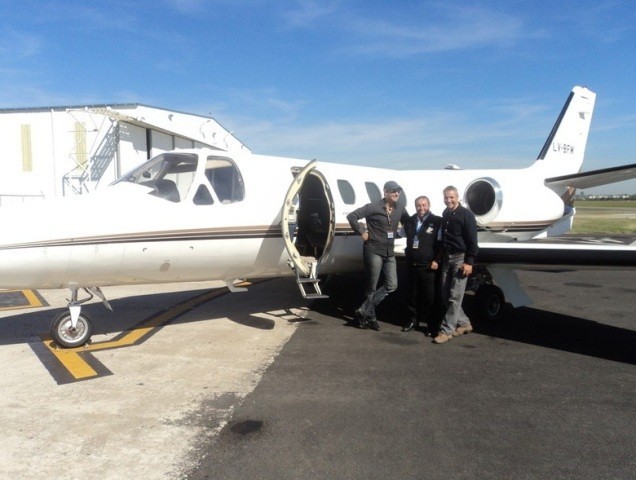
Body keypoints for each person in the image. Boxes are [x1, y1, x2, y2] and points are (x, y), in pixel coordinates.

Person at [347, 181, 409, 331]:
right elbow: (352, 216)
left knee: (392, 285)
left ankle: (364, 310)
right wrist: (361, 232)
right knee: (371, 286)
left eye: (399, 191)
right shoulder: (373, 207)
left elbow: (409, 223)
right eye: (393, 191)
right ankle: (370, 318)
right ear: (385, 192)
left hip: (389, 252)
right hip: (373, 250)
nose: (397, 193)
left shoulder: (400, 208)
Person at [433, 185, 479, 344]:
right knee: (445, 294)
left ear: (457, 197)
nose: (449, 200)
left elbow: (473, 241)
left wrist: (469, 262)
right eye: (446, 197)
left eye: (451, 197)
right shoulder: (445, 214)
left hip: (460, 259)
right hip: (447, 257)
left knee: (455, 296)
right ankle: (464, 323)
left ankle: (446, 331)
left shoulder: (466, 215)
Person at [401, 195, 443, 336]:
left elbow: (441, 243)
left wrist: (437, 260)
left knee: (430, 296)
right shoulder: (410, 221)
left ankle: (432, 325)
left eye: (424, 205)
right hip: (412, 264)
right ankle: (413, 321)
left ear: (429, 206)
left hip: (428, 266)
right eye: (418, 205)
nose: (421, 208)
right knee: (412, 295)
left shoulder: (436, 221)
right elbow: (400, 234)